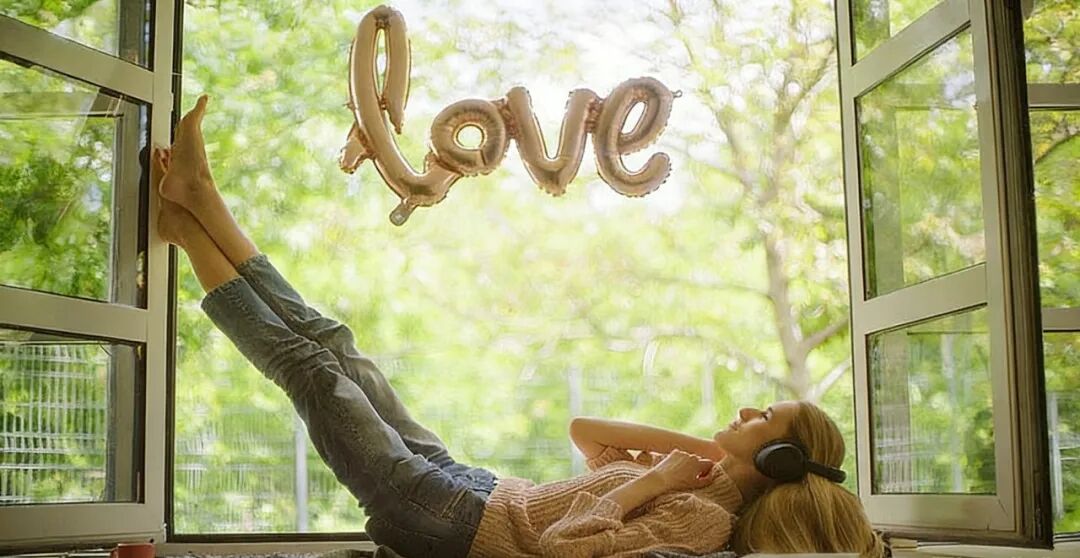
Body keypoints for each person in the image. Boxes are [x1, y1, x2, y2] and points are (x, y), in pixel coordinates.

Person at [155, 95, 886, 558]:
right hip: (470, 488)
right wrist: (696, 456)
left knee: (315, 373)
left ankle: (188, 230)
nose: (749, 409)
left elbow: (565, 547)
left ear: (780, 458)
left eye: (765, 419)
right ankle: (200, 199)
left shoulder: (702, 523)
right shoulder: (696, 480)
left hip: (447, 521)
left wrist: (650, 484)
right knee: (340, 350)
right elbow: (586, 433)